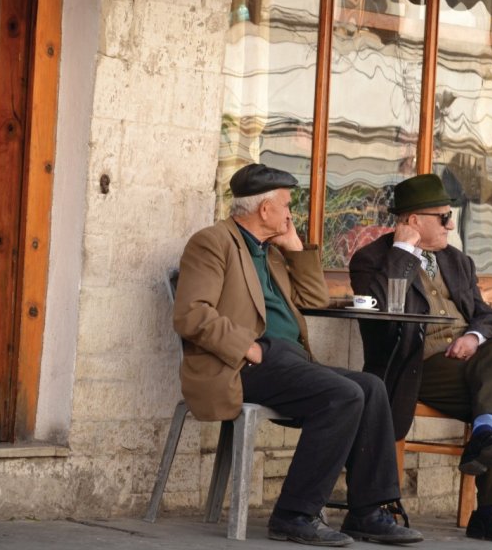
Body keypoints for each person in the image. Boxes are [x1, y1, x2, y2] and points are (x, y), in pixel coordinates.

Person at [173, 163, 423, 547]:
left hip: (289, 360)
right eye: (287, 205)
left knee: (371, 387)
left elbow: (313, 300)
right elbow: (192, 314)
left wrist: (296, 251)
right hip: (242, 363)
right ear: (264, 209)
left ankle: (366, 512)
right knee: (343, 395)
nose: (292, 214)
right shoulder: (212, 242)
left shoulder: (271, 252)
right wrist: (248, 348)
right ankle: (294, 514)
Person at [348, 174, 492, 546]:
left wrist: (473, 337)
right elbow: (387, 314)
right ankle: (490, 513)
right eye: (443, 217)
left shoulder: (457, 261)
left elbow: (486, 315)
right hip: (412, 365)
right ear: (412, 221)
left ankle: (484, 435)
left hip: (466, 364)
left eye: (450, 216)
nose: (451, 224)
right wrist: (403, 254)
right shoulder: (371, 259)